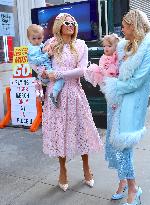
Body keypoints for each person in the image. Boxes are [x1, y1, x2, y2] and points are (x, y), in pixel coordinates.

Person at [41, 13, 102, 192]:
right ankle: (63, 169)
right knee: (60, 130)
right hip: (55, 94)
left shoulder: (81, 45)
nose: (70, 25)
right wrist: (43, 73)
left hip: (74, 92)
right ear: (59, 25)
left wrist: (59, 74)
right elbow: (42, 65)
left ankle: (86, 167)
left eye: (73, 22)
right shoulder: (50, 44)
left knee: (81, 128)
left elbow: (81, 70)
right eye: (66, 22)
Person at [101, 9, 150, 205]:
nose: (121, 28)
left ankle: (134, 189)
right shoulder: (123, 47)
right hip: (116, 103)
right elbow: (111, 67)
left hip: (131, 106)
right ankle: (123, 182)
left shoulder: (147, 53)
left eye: (124, 25)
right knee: (115, 146)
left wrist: (111, 86)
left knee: (124, 149)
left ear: (134, 26)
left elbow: (136, 83)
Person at [27, 24, 64, 106]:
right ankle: (54, 95)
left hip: (46, 69)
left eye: (39, 38)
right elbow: (35, 61)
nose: (37, 40)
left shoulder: (40, 45)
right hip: (44, 70)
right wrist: (47, 55)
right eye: (34, 38)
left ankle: (49, 96)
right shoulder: (32, 49)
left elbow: (42, 51)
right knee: (61, 78)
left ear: (43, 37)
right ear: (29, 38)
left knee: (56, 80)